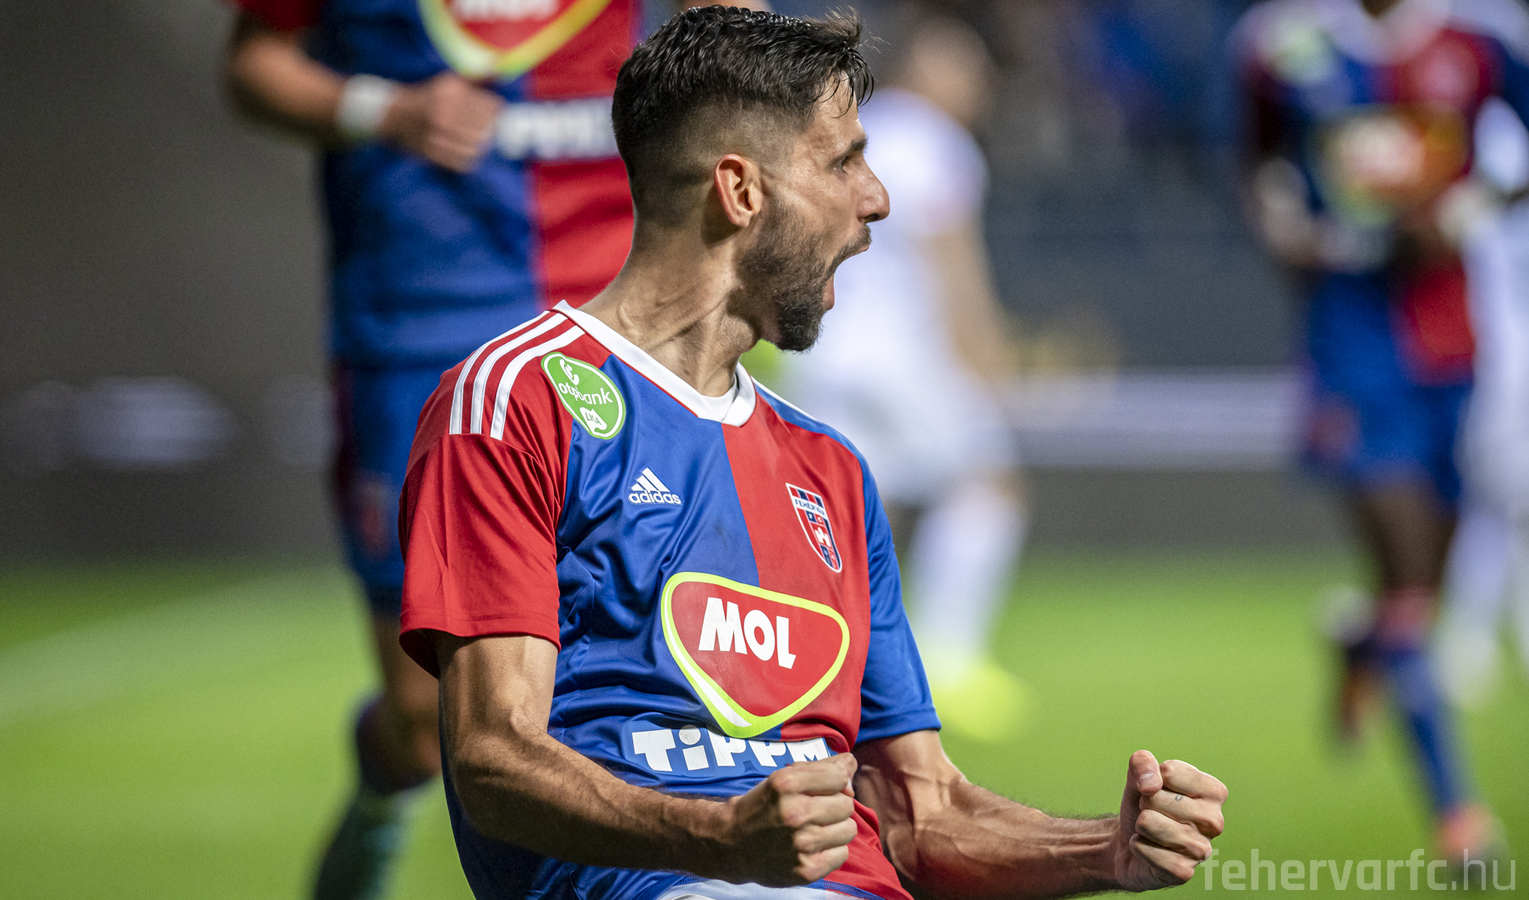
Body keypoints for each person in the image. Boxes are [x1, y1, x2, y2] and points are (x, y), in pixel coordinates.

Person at [398, 8, 1227, 900]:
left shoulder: (832, 469)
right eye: (842, 163)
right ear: (740, 191)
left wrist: (1105, 848)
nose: (877, 199)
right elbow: (494, 758)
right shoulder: (518, 401)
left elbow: (919, 815)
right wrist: (721, 840)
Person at [223, 0, 678, 892]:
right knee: (427, 713)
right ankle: (381, 791)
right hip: (418, 319)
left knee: (638, 663)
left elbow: (731, 28)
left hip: (614, 311)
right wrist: (382, 110)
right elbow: (254, 63)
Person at [1231, 0, 1523, 863]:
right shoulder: (1282, 45)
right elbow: (1255, 165)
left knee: (1419, 590)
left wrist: (1468, 209)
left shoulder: (1476, 40)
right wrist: (1286, 229)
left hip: (1456, 345)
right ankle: (1457, 817)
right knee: (1406, 582)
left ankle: (1364, 644)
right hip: (1349, 345)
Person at [780, 14, 1028, 743]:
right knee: (989, 487)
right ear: (929, 66)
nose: (977, 85)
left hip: (825, 349)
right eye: (965, 67)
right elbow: (952, 260)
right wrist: (985, 354)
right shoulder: (936, 142)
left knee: (853, 517)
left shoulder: (858, 128)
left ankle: (826, 665)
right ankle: (950, 660)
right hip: (905, 361)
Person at [1434, 96, 1529, 706]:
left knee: (1508, 502)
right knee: (1494, 498)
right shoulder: (1488, 119)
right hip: (1494, 346)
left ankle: (1481, 635)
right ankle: (1470, 635)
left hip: (1505, 340)